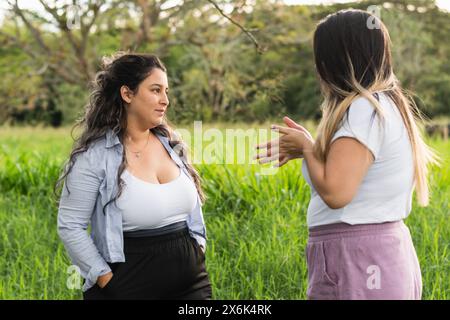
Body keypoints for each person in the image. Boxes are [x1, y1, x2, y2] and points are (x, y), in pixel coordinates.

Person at [255, 9, 440, 299]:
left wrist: (306, 146)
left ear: (337, 59)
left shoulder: (364, 109)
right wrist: (313, 152)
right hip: (378, 254)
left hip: (358, 257)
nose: (318, 68)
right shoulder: (385, 105)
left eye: (321, 56)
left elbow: (337, 192)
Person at [56, 52, 212, 300]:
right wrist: (106, 279)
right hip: (127, 284)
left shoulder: (173, 145)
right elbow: (70, 225)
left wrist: (198, 246)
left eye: (166, 91)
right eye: (155, 90)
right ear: (127, 94)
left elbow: (193, 210)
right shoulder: (94, 156)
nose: (165, 100)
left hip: (191, 283)